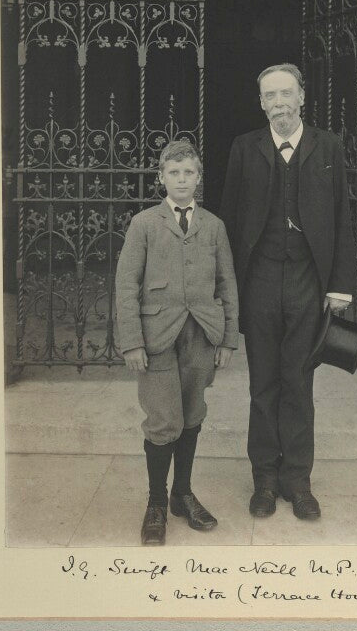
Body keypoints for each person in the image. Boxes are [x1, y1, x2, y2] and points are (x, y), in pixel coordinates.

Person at [220, 63, 355, 521]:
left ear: (302, 98)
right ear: (261, 103)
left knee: (298, 381)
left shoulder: (328, 146)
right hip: (258, 279)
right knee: (263, 383)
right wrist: (229, 289)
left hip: (306, 281)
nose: (278, 103)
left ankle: (298, 480)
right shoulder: (244, 148)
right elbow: (231, 222)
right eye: (269, 96)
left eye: (286, 94)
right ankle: (263, 479)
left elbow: (342, 220)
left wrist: (340, 287)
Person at [116, 140, 239, 545]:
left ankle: (182, 494)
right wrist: (132, 341)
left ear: (199, 179)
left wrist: (227, 338)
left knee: (191, 414)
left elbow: (226, 283)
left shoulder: (214, 225)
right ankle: (155, 502)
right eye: (174, 173)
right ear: (161, 178)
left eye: (189, 173)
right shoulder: (144, 224)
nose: (182, 180)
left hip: (201, 334)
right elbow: (126, 285)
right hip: (157, 338)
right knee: (163, 420)